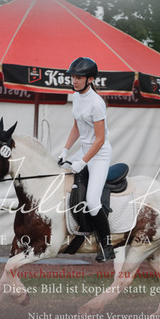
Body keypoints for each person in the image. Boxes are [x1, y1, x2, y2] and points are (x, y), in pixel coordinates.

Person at [58, 57, 114, 261]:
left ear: (90, 79)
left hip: (99, 155)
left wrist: (83, 162)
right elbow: (77, 127)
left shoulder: (97, 103)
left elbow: (100, 139)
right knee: (62, 179)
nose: (74, 81)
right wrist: (65, 150)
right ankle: (79, 231)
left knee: (92, 201)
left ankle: (106, 245)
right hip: (83, 151)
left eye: (78, 77)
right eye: (73, 77)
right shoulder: (76, 97)